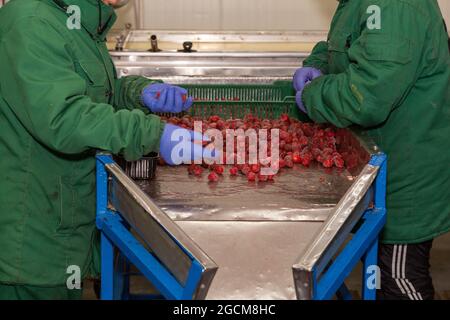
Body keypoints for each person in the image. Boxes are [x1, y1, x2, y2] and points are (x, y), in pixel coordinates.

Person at [0, 0, 211, 299]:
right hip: (32, 244)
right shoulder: (31, 20)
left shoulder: (75, 20)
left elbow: (91, 95)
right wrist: (151, 133)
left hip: (64, 226)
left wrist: (136, 94)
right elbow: (64, 118)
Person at [294, 0, 449, 300]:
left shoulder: (396, 6)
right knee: (376, 275)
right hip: (379, 168)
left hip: (407, 182)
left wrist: (314, 96)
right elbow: (349, 49)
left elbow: (366, 95)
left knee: (399, 278)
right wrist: (319, 64)